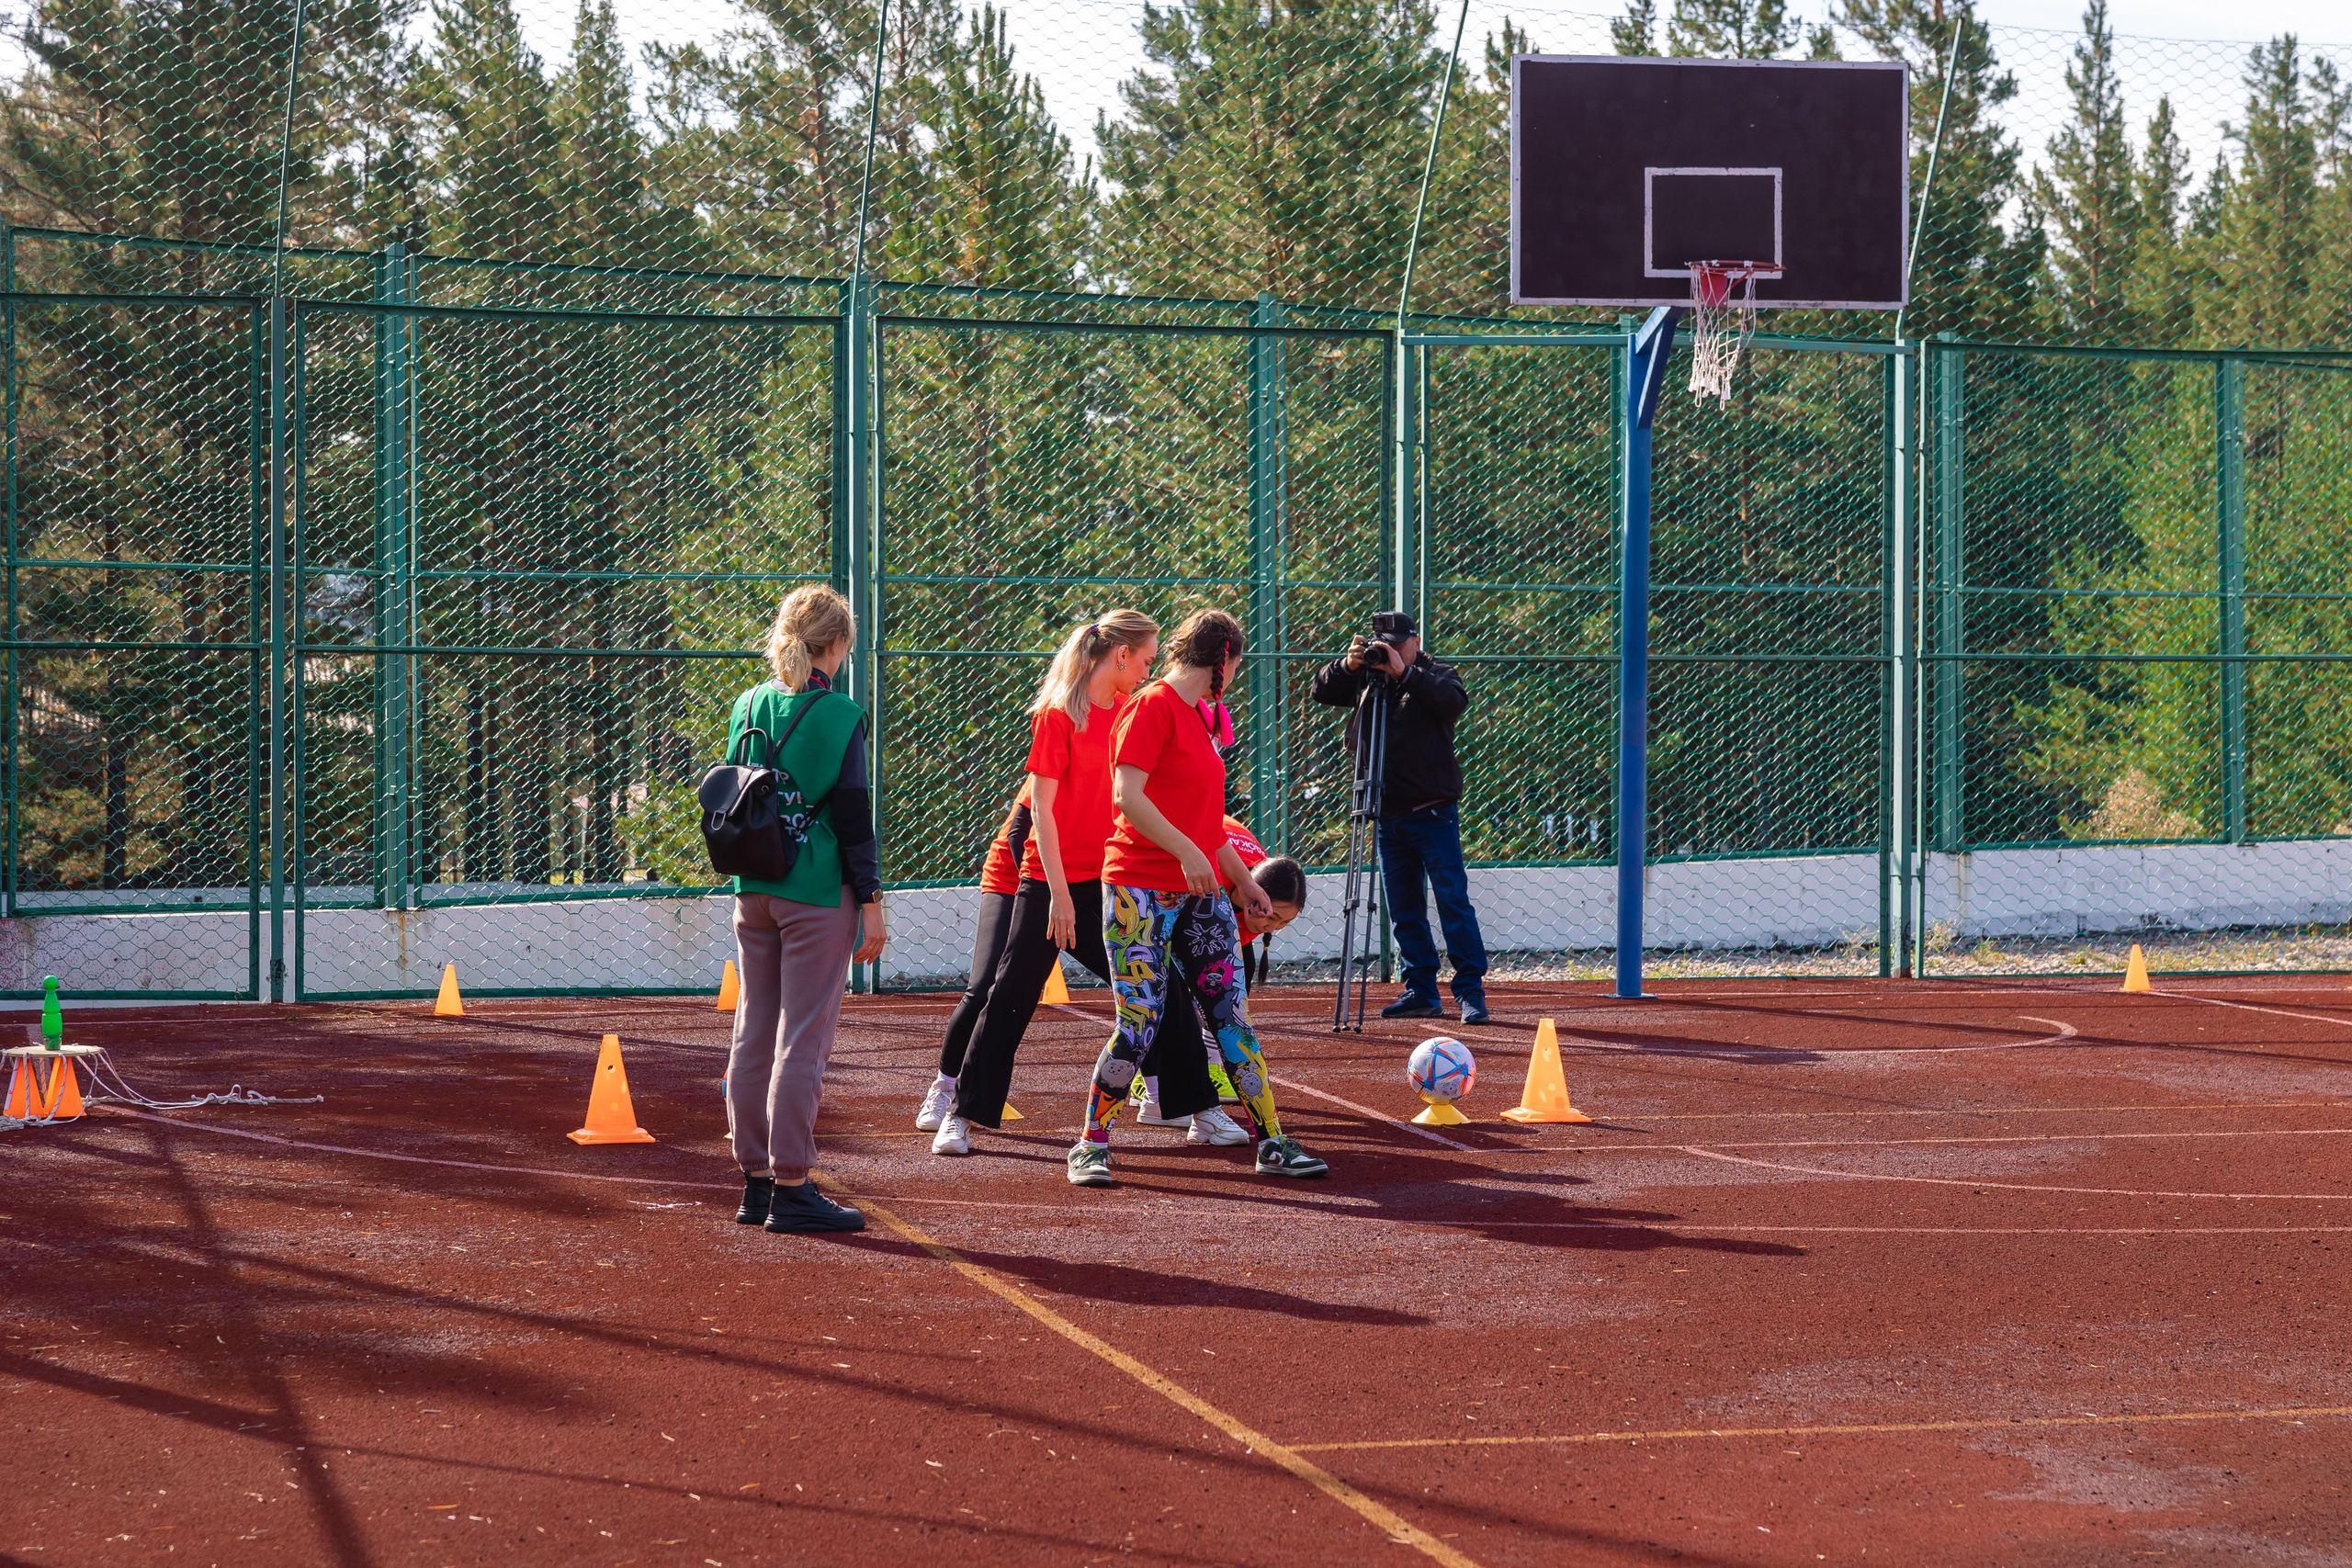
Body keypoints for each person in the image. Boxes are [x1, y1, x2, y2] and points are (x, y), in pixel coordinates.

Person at [920, 610, 1238, 1156]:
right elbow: (1040, 809)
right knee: (1010, 994)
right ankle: (961, 1114)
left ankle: (1200, 1110)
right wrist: (1060, 895)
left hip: (1111, 879)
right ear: (1119, 656)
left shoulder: (1134, 712)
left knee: (1164, 992)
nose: (1146, 669)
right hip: (1051, 883)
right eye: (1142, 659)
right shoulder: (1060, 713)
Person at [1070, 608, 1328, 1186]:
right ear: (1223, 658)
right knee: (1138, 1022)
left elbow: (1209, 824)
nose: (1234, 676)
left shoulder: (1201, 719)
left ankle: (1273, 1142)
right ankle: (1090, 1143)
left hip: (1204, 891)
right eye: (1235, 665)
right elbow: (1127, 795)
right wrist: (1188, 853)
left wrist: (1244, 881)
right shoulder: (1152, 705)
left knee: (1232, 1019)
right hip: (1138, 889)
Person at [723, 584, 888, 1235]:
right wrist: (871, 901)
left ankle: (756, 1183)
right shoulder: (842, 714)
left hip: (752, 884)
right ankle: (793, 1183)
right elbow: (852, 816)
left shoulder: (748, 702)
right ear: (837, 643)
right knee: (804, 1040)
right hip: (815, 890)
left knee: (753, 1029)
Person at [1310, 610, 1490, 1024]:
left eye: (1398, 643)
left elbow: (1452, 702)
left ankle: (1470, 992)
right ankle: (1421, 991)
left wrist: (1404, 674)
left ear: (1415, 640)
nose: (1390, 650)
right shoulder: (1368, 676)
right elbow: (1321, 689)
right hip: (1385, 814)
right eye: (1383, 642)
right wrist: (1349, 664)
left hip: (1433, 813)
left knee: (1452, 902)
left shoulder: (1434, 674)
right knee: (1405, 909)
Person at [1130, 839, 1305, 1122]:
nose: (1273, 928)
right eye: (1271, 917)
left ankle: (1211, 1068)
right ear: (1256, 897)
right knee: (1162, 993)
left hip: (1214, 880)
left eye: (1284, 923)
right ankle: (1150, 1079)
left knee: (1231, 985)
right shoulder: (1215, 876)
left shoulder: (1261, 882)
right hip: (1161, 885)